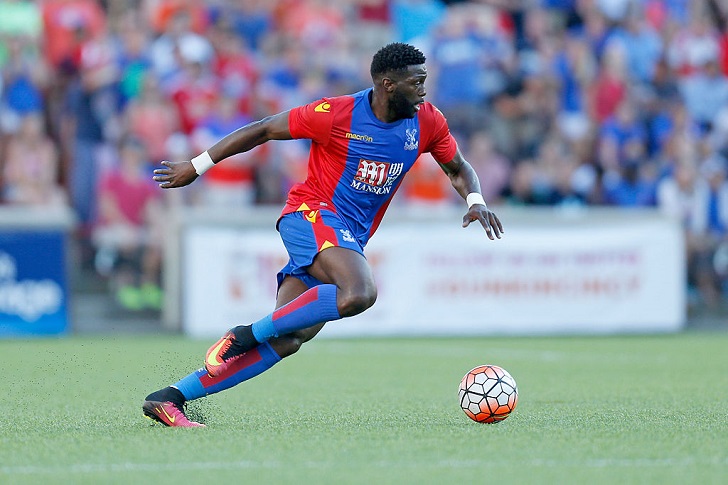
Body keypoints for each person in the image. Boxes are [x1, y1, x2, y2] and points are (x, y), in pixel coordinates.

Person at [142, 43, 504, 427]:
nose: (424, 90)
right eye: (416, 82)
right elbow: (264, 129)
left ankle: (170, 398)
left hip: (346, 238)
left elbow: (457, 168)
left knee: (289, 338)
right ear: (388, 85)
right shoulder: (336, 113)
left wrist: (475, 200)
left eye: (424, 81)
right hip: (309, 214)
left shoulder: (427, 121)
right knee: (359, 292)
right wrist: (197, 166)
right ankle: (244, 334)